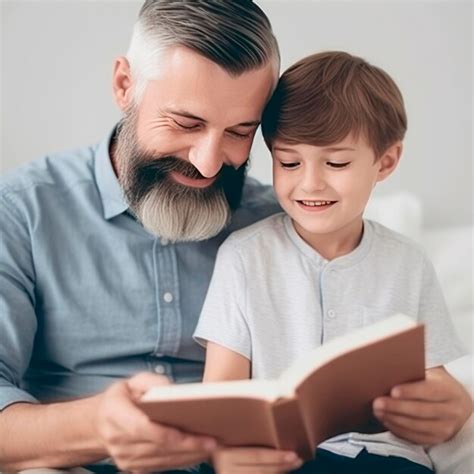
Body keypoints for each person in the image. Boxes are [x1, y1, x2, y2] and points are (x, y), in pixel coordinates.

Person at [0, 1, 305, 472]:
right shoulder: (24, 210)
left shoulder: (275, 223)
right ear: (125, 85)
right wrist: (99, 424)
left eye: (240, 132)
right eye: (187, 123)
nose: (208, 163)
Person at [194, 51, 473, 473]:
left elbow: (435, 380)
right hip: (285, 458)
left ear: (386, 162)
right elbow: (221, 392)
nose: (310, 183)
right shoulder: (244, 256)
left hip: (389, 459)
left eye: (336, 162)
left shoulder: (408, 262)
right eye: (289, 162)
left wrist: (450, 405)